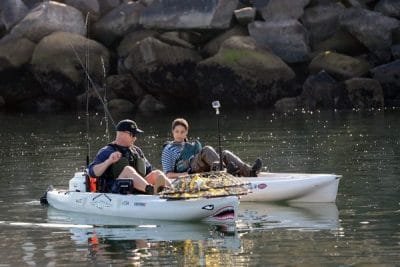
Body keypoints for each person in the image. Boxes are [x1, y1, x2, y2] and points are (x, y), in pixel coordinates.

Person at [88, 119, 172, 194]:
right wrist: (109, 161)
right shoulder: (107, 151)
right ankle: (151, 190)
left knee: (157, 173)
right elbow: (92, 172)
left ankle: (174, 191)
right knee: (128, 170)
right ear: (122, 134)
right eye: (133, 134)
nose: (135, 138)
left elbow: (149, 171)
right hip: (115, 190)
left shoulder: (136, 151)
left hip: (138, 188)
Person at [161, 118, 262, 179]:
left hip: (200, 168)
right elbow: (168, 174)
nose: (179, 134)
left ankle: (250, 172)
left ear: (186, 132)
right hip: (190, 171)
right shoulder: (168, 149)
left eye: (182, 132)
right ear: (172, 132)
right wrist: (186, 174)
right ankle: (224, 172)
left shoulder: (190, 145)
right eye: (177, 131)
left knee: (225, 153)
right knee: (206, 149)